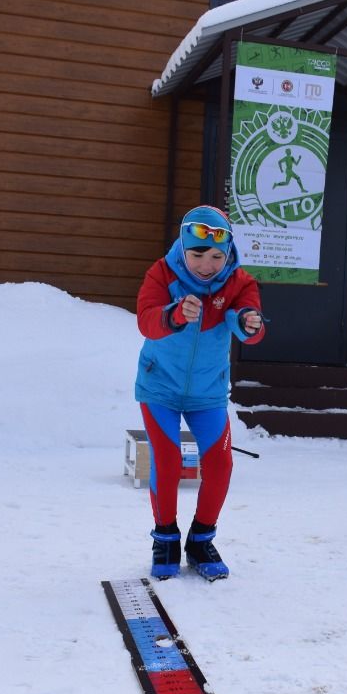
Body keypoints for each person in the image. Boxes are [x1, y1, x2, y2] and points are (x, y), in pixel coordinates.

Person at [134, 205, 265, 580]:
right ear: (183, 246)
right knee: (168, 460)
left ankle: (201, 539)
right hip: (159, 386)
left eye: (216, 256)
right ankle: (166, 538)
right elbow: (146, 320)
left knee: (221, 465)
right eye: (198, 255)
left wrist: (248, 323)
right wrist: (173, 315)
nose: (207, 265)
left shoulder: (239, 282)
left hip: (206, 392)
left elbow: (250, 327)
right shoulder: (161, 273)